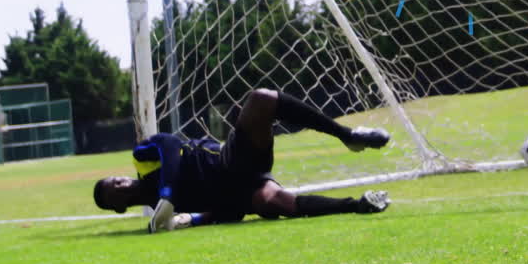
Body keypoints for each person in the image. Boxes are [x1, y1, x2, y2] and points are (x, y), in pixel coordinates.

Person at [93, 88, 392, 232]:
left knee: (261, 99)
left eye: (115, 181)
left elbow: (170, 144)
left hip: (231, 161)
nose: (120, 185)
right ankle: (358, 204)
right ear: (118, 208)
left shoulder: (143, 162)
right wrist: (192, 219)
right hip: (239, 195)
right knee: (274, 201)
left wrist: (167, 194)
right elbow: (215, 212)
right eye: (113, 192)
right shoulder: (162, 217)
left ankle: (347, 135)